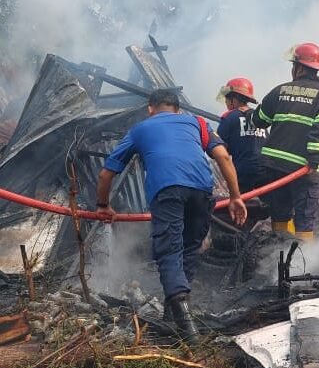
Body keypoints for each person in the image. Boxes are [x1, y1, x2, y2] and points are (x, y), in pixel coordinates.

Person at [96, 89, 247, 345]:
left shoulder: (140, 129)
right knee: (188, 250)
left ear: (150, 108)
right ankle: (173, 317)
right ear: (178, 109)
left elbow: (105, 174)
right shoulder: (198, 123)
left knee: (169, 252)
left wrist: (102, 205)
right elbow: (222, 156)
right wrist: (235, 197)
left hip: (167, 190)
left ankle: (189, 335)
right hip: (202, 190)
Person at [251, 42, 319, 241]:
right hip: (303, 167)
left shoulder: (279, 90)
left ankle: (277, 256)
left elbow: (259, 121)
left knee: (280, 213)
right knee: (305, 216)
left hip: (273, 166)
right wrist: (314, 160)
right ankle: (302, 262)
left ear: (298, 68)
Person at [216, 76, 267, 193]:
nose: (225, 102)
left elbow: (219, 148)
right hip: (265, 172)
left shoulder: (229, 118)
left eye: (227, 99)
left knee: (242, 205)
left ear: (233, 100)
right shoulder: (259, 117)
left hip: (242, 173)